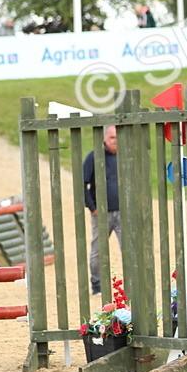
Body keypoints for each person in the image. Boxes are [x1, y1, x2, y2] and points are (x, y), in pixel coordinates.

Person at [84, 125, 121, 295]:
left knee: (129, 249)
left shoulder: (124, 156)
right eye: (112, 137)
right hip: (102, 213)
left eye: (117, 137)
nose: (116, 141)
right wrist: (92, 207)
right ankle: (97, 285)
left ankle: (132, 283)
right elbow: (82, 183)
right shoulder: (94, 157)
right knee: (98, 250)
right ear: (105, 138)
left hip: (123, 213)